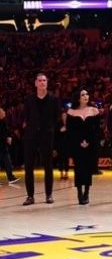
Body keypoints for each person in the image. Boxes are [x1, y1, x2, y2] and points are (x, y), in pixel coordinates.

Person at [22, 73, 61, 205]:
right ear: (35, 83)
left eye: (44, 80)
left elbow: (56, 117)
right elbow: (26, 117)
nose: (42, 82)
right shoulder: (29, 99)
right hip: (31, 136)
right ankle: (30, 196)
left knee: (48, 166)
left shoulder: (53, 99)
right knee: (28, 167)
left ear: (47, 83)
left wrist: (49, 128)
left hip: (47, 135)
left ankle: (49, 195)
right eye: (40, 80)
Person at [66, 88, 101, 205]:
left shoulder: (94, 111)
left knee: (88, 169)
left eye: (87, 94)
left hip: (90, 144)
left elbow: (96, 130)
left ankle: (86, 192)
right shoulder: (71, 112)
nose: (86, 96)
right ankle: (79, 192)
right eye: (83, 94)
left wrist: (89, 142)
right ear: (78, 98)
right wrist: (79, 141)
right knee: (79, 169)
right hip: (77, 145)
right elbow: (70, 131)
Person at [0, 108, 20, 184]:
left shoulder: (3, 121)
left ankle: (11, 177)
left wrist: (9, 137)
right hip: (1, 145)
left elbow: (6, 131)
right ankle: (10, 177)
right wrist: (7, 137)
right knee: (7, 161)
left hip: (3, 145)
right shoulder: (2, 122)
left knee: (7, 161)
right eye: (2, 111)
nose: (4, 111)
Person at [55, 112, 69, 180]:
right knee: (60, 159)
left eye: (65, 116)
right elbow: (56, 133)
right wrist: (60, 130)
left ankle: (66, 173)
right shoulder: (58, 124)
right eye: (63, 116)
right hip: (60, 144)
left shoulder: (69, 124)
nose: (64, 117)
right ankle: (61, 173)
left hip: (67, 144)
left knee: (66, 159)